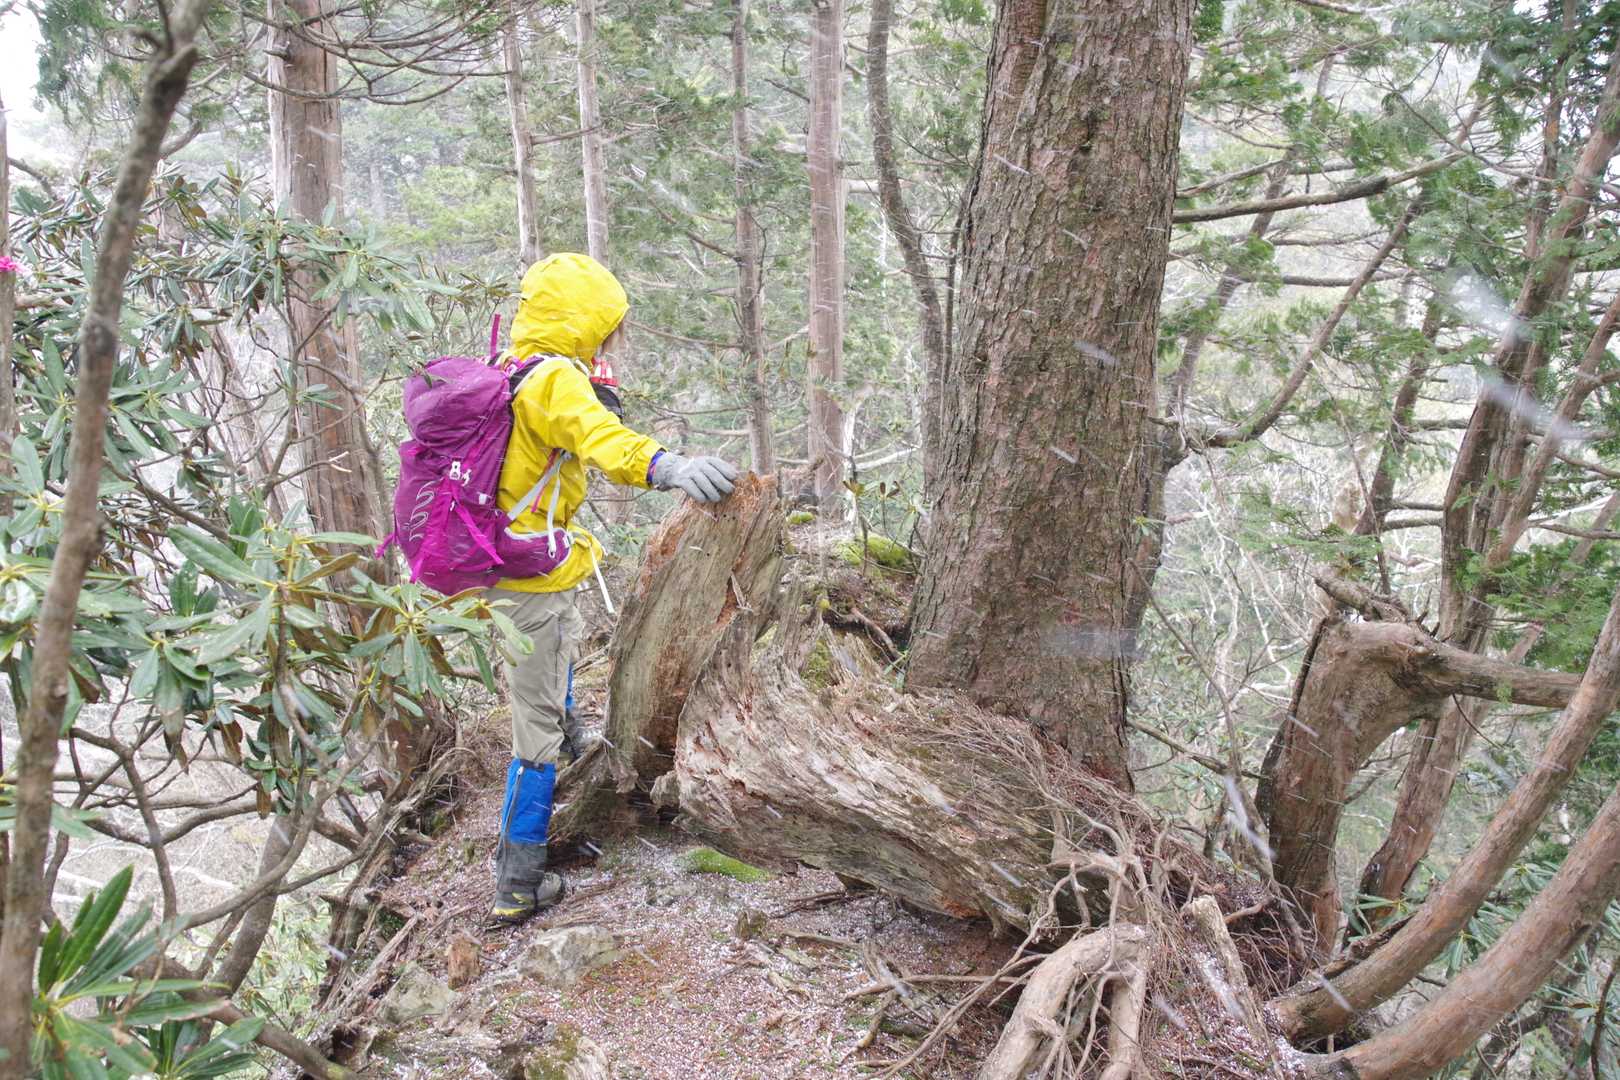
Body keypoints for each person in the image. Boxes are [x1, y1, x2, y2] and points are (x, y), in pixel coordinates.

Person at [487, 252, 739, 926]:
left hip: (516, 561)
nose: (614, 337)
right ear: (586, 322)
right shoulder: (553, 379)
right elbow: (600, 439)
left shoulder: (513, 365)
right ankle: (518, 881)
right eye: (609, 324)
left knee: (553, 664)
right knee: (533, 729)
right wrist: (667, 465)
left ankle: (577, 748)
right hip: (526, 578)